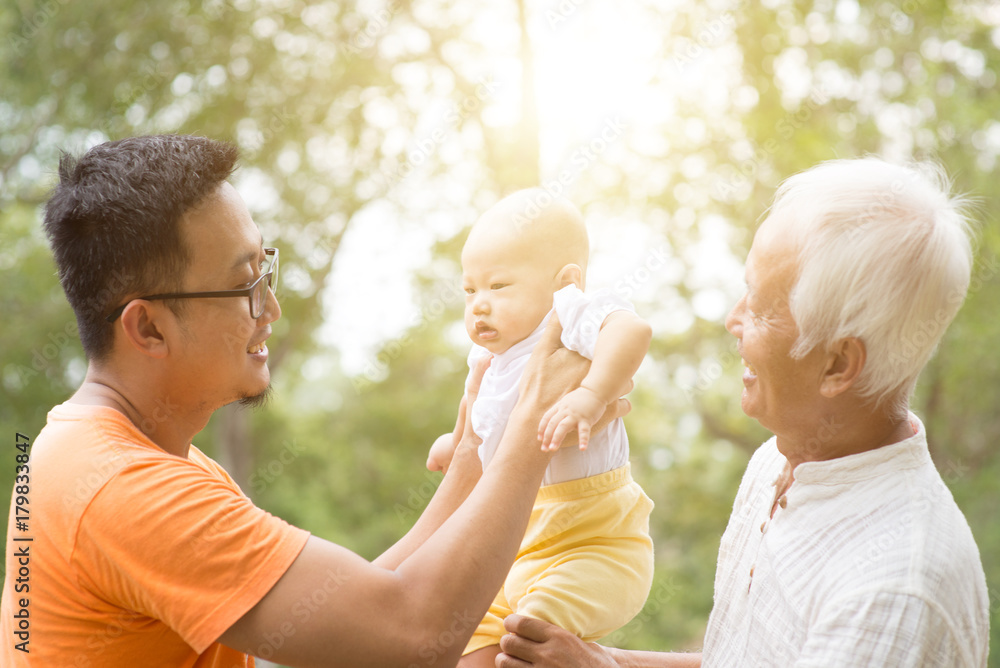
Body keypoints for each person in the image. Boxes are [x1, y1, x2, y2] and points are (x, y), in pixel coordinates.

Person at [0, 134, 631, 667]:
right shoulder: (126, 490)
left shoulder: (125, 458)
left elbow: (360, 610)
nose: (270, 309)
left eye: (264, 272)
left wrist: (472, 454)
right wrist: (529, 423)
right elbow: (413, 635)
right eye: (242, 286)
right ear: (147, 328)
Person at [496, 157, 990, 668]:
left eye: (758, 307)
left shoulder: (893, 595)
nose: (732, 319)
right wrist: (604, 660)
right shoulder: (776, 462)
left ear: (838, 364)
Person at [426, 190, 655, 667]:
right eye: (470, 290)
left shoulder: (568, 314)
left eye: (499, 286)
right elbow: (480, 414)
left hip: (593, 544)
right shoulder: (488, 357)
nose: (479, 305)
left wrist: (591, 395)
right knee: (463, 635)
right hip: (517, 547)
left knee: (531, 633)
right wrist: (458, 442)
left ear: (565, 282)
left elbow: (632, 332)